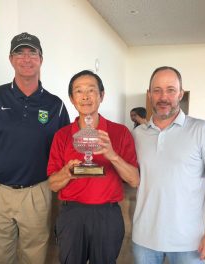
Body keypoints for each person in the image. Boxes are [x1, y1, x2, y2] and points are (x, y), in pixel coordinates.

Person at [0, 32, 70, 264]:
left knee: (34, 258)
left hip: (38, 193)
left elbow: (65, 151)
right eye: (19, 53)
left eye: (32, 53)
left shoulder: (56, 105)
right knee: (0, 258)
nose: (26, 58)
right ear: (11, 59)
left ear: (41, 59)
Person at [132, 66, 205, 264]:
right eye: (157, 90)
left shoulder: (202, 130)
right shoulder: (138, 135)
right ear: (149, 95)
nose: (163, 97)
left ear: (180, 94)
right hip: (144, 238)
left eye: (170, 90)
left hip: (189, 242)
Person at [47, 70, 140, 264]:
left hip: (108, 215)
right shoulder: (62, 136)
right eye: (79, 91)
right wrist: (67, 172)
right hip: (72, 215)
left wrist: (112, 155)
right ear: (72, 98)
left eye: (91, 90)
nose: (86, 96)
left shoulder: (120, 132)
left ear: (102, 95)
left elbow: (134, 180)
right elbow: (53, 184)